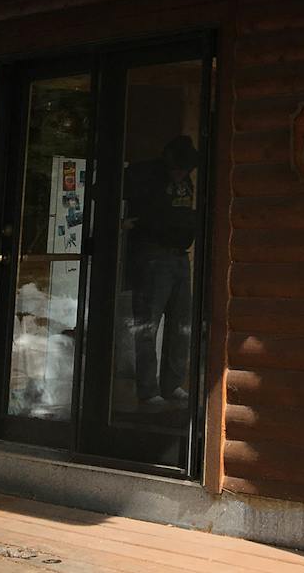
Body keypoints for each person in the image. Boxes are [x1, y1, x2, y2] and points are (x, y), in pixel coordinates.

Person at [123, 135, 199, 409]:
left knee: (181, 324)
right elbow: (105, 190)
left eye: (186, 169)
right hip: (153, 254)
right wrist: (124, 222)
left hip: (180, 255)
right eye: (179, 168)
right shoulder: (144, 175)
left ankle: (172, 383)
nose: (182, 173)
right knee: (147, 324)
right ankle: (148, 389)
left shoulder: (185, 180)